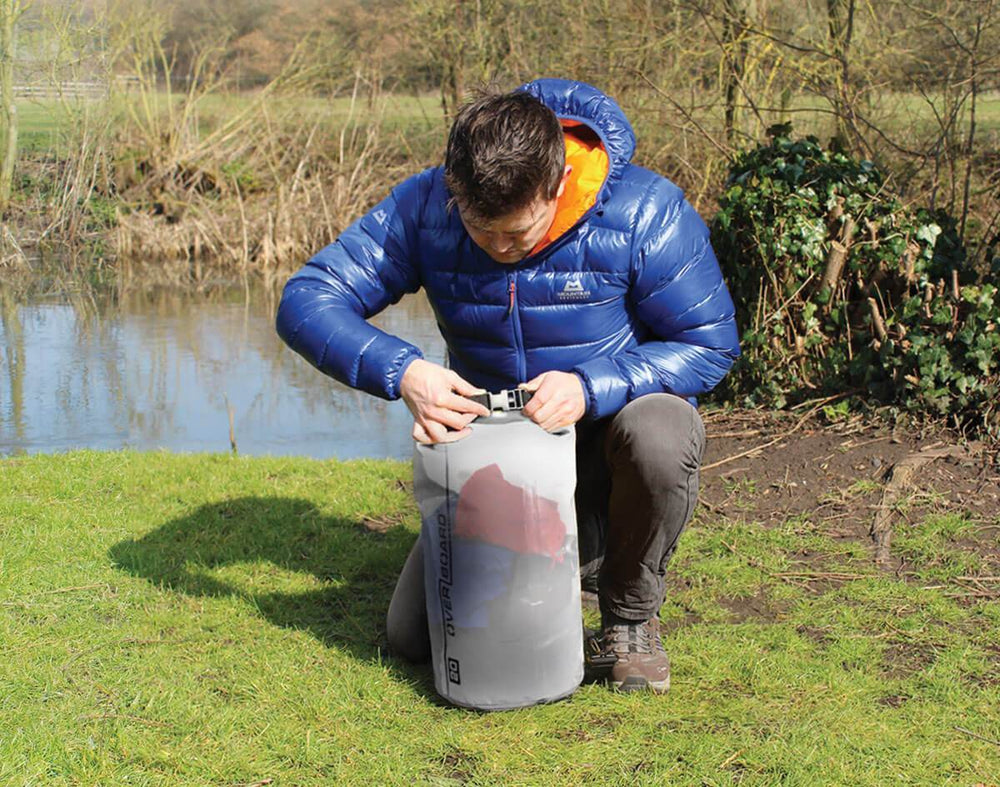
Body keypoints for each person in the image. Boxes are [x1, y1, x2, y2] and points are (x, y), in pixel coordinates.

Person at [275, 78, 740, 693]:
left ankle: (629, 613)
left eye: (517, 235)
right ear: (454, 190)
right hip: (497, 454)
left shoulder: (646, 212)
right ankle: (569, 551)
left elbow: (711, 347)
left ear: (557, 185)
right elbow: (306, 300)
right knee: (410, 639)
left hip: (606, 442)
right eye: (479, 230)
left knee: (662, 428)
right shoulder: (426, 205)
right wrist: (404, 371)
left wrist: (590, 385)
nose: (498, 250)